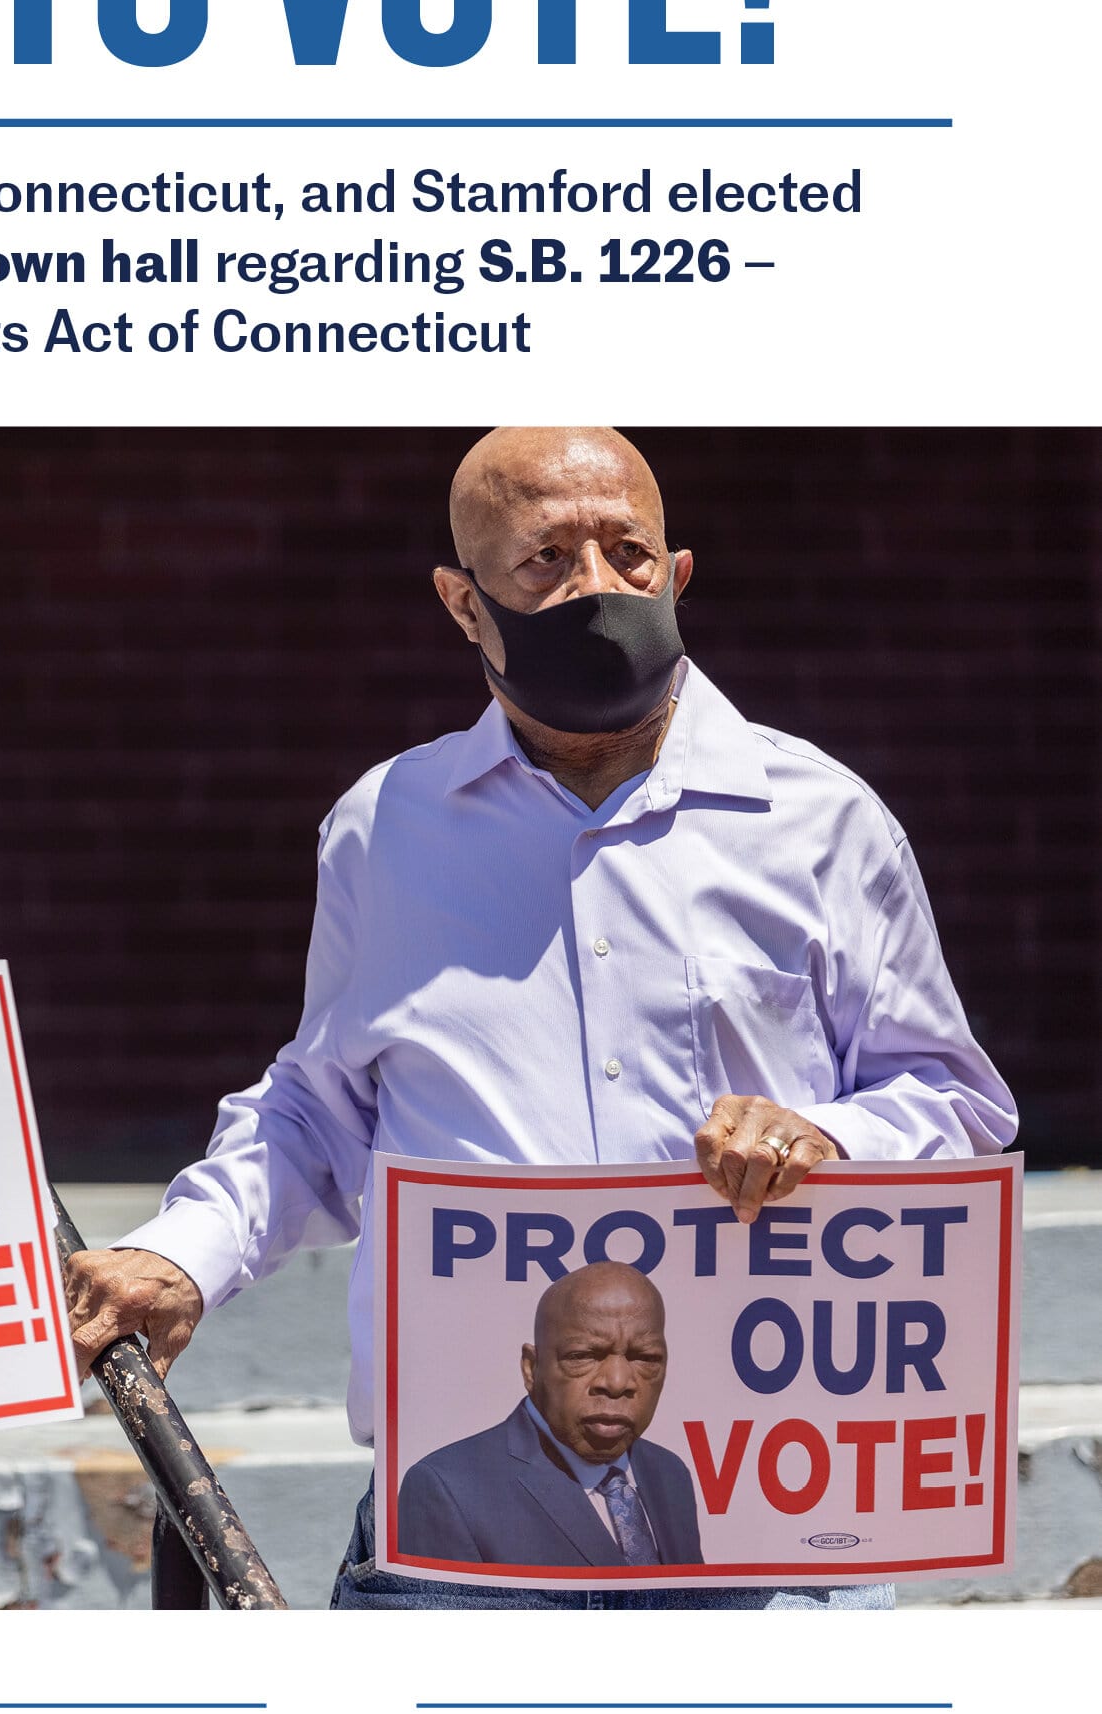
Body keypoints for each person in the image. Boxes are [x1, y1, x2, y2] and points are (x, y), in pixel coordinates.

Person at [65, 423, 1017, 1611]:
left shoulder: (822, 820)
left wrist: (833, 1142)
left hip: (764, 1547)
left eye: (627, 553)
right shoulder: (387, 829)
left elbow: (956, 1107)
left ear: (677, 576)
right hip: (461, 1542)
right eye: (546, 563)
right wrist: (183, 1254)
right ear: (463, 605)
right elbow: (319, 1106)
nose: (597, 590)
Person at [395, 1262, 703, 1572]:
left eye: (646, 1358)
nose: (617, 1381)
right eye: (582, 1356)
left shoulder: (668, 1472)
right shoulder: (450, 1489)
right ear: (531, 1368)